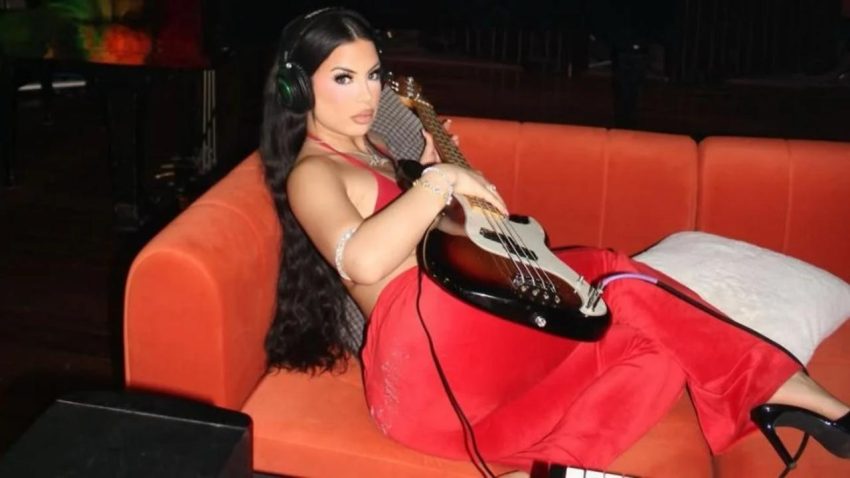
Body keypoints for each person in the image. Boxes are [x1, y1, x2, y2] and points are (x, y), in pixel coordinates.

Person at [260, 7, 850, 476]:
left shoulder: (380, 150)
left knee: (659, 350)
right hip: (424, 379)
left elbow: (442, 246)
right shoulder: (315, 172)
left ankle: (552, 467)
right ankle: (791, 388)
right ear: (297, 88)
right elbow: (363, 261)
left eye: (373, 76)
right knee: (615, 278)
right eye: (343, 78)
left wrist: (437, 178)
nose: (367, 97)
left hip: (474, 374)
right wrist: (441, 183)